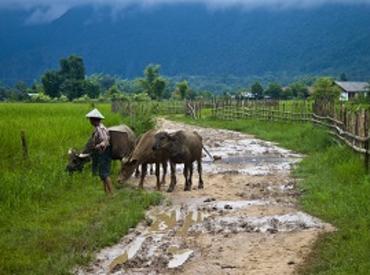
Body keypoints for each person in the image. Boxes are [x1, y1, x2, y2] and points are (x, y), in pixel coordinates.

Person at [85, 108, 113, 195]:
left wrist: (98, 145)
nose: (90, 121)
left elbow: (105, 141)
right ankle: (106, 192)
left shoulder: (100, 129)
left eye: (90, 119)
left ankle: (111, 193)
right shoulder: (99, 128)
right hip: (102, 152)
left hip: (104, 152)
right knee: (102, 174)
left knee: (105, 173)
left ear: (94, 120)